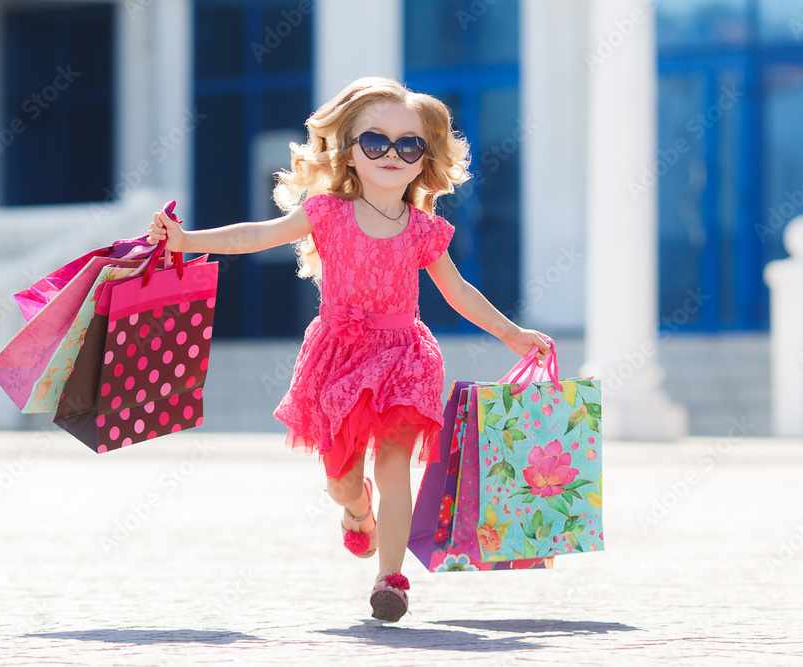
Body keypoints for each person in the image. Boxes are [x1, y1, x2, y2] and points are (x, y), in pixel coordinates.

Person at [147, 76, 551, 622]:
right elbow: (252, 236)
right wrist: (186, 241)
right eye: (375, 141)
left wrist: (511, 333)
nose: (391, 153)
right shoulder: (327, 214)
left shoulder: (423, 230)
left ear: (424, 159)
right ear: (348, 151)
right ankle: (356, 512)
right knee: (341, 480)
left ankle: (392, 579)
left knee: (395, 464)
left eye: (408, 144)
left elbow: (459, 293)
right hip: (339, 356)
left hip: (405, 357)